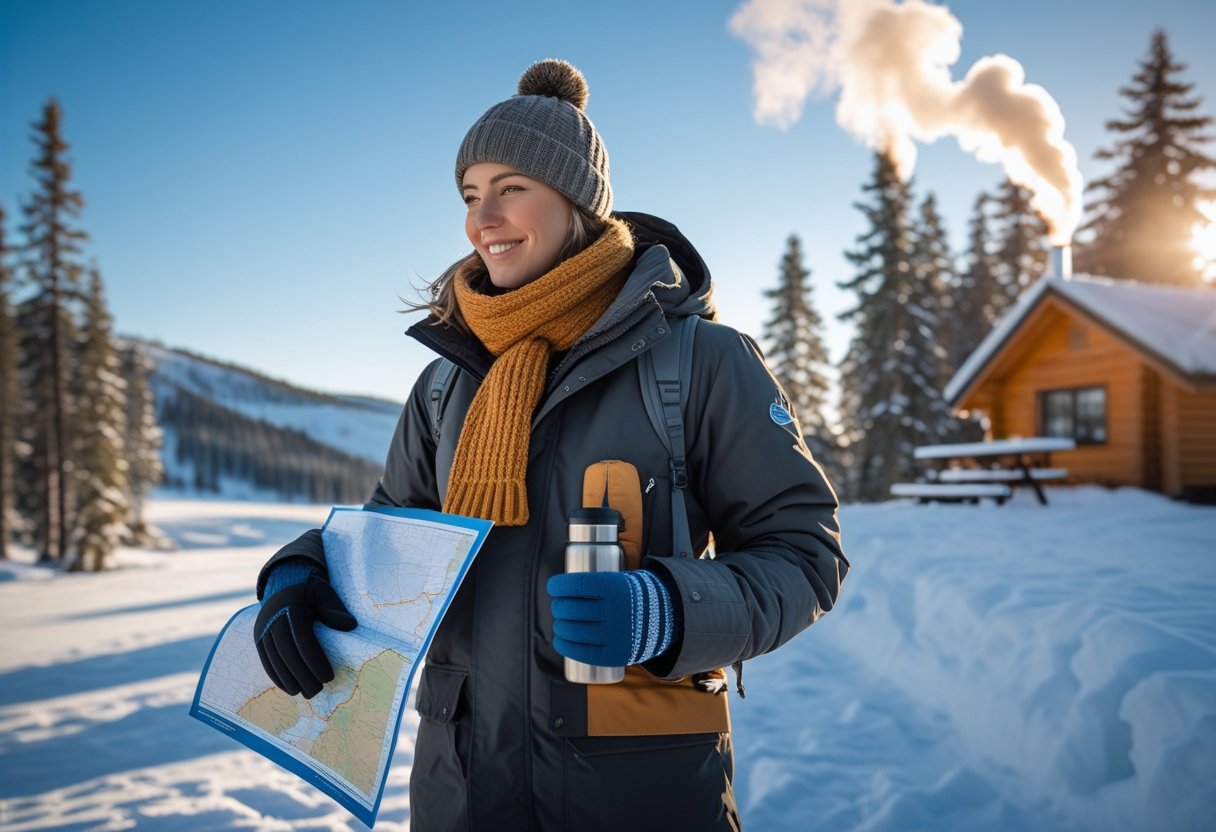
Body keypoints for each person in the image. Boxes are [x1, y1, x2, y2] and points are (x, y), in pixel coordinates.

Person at [252, 58, 848, 831]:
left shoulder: (701, 361)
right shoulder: (446, 385)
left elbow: (804, 553)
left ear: (577, 202)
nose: (482, 219)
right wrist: (300, 572)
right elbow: (391, 543)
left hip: (638, 795)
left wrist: (667, 611)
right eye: (470, 196)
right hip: (462, 792)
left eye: (512, 189)